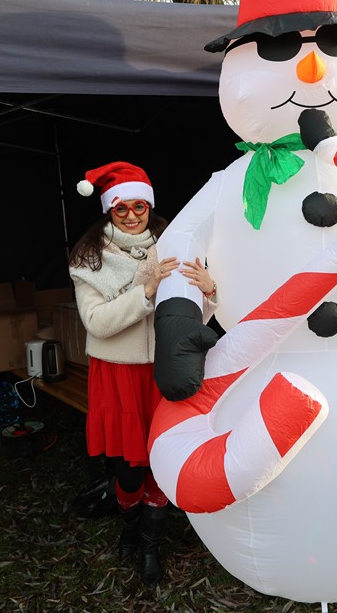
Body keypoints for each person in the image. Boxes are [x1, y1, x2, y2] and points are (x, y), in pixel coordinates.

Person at [68, 161, 216, 587]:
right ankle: (130, 528)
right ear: (107, 210)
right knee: (130, 467)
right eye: (121, 209)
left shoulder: (176, 244)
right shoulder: (89, 257)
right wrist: (146, 289)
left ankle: (150, 544)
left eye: (139, 206)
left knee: (164, 459)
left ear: (149, 206)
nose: (132, 215)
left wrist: (209, 291)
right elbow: (96, 322)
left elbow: (194, 317)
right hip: (118, 374)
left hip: (165, 369)